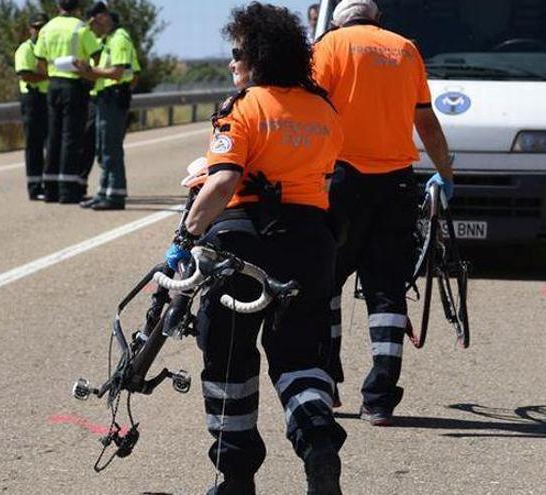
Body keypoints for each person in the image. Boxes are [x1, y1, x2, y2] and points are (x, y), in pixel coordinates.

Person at [163, 4, 346, 494]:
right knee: (300, 358)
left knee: (228, 358)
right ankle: (319, 442)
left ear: (258, 57)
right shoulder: (324, 109)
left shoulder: (241, 108)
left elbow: (223, 182)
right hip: (311, 242)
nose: (231, 63)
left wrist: (184, 239)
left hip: (242, 242)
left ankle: (236, 477)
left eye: (238, 53)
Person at [313, 0, 455, 426]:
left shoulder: (328, 48)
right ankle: (379, 398)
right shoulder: (405, 50)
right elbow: (426, 123)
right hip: (395, 184)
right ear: (376, 19)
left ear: (339, 21)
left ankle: (327, 380)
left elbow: (308, 111)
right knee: (387, 290)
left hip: (338, 180)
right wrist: (445, 173)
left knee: (325, 283)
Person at [33, 0, 101, 203]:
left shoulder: (46, 28)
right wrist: (87, 72)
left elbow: (39, 63)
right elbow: (97, 57)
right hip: (74, 86)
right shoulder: (80, 28)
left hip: (53, 86)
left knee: (53, 136)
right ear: (78, 7)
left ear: (58, 6)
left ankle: (50, 189)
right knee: (71, 138)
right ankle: (67, 190)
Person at [78, 3, 137, 210]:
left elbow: (117, 72)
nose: (93, 27)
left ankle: (115, 195)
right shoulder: (108, 40)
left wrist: (91, 69)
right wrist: (84, 70)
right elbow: (102, 73)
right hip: (105, 98)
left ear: (103, 17)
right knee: (102, 148)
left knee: (110, 148)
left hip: (113, 97)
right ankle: (103, 192)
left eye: (94, 22)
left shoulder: (119, 39)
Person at [14, 13, 50, 201]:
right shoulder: (25, 49)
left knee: (52, 143)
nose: (39, 30)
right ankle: (35, 186)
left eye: (43, 27)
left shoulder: (49, 49)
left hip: (48, 98)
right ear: (30, 29)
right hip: (32, 99)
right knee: (34, 144)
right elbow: (26, 75)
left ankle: (50, 183)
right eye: (36, 27)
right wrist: (49, 76)